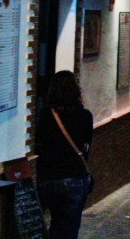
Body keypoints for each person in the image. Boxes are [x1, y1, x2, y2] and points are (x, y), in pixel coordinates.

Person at [36, 70, 93, 239]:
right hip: (75, 177)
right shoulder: (85, 116)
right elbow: (86, 147)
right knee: (70, 228)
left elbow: (39, 146)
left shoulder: (46, 116)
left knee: (56, 223)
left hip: (49, 179)